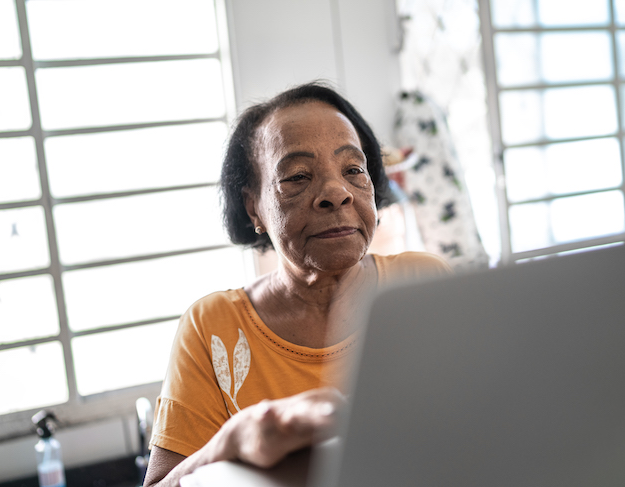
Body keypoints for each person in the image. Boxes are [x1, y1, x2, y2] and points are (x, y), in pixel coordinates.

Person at [143, 82, 451, 486]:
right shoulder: (212, 326)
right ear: (253, 206)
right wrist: (232, 441)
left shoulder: (423, 284)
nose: (336, 193)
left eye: (353, 170)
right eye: (298, 176)